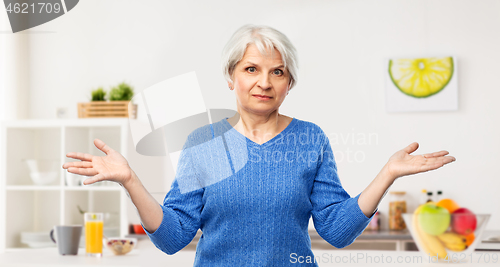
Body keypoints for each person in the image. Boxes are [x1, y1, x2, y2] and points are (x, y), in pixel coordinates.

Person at [62, 24, 456, 266]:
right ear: (231, 77)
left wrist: (387, 173)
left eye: (277, 72)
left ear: (289, 83)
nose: (264, 82)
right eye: (251, 69)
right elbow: (172, 238)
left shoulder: (309, 138)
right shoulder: (206, 142)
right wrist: (131, 180)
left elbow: (336, 230)